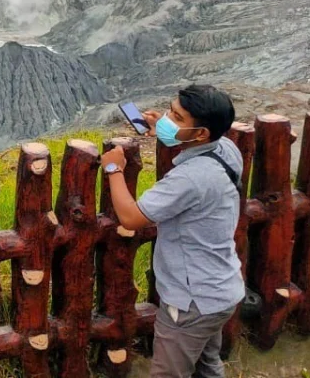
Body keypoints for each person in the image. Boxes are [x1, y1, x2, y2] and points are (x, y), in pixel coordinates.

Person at [101, 84, 244, 378]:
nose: (167, 118)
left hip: (191, 301)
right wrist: (166, 132)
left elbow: (131, 217)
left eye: (177, 117)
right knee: (207, 364)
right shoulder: (226, 149)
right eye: (170, 110)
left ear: (201, 133)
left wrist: (114, 170)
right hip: (223, 288)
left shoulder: (190, 178)